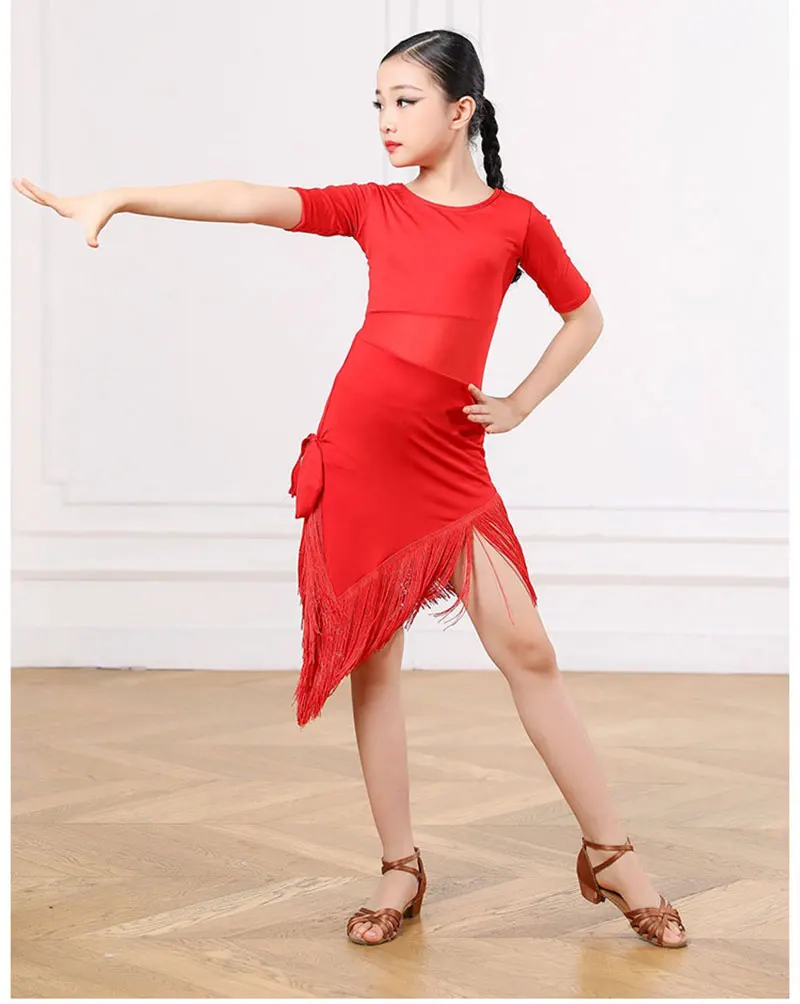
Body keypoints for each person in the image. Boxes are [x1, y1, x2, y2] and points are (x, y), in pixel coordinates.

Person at [12, 27, 688, 952]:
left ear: (461, 110)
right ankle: (399, 866)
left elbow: (585, 316)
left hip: (450, 465)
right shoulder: (375, 207)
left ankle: (611, 853)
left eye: (405, 101)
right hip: (362, 454)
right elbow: (250, 199)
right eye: (378, 103)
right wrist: (123, 197)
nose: (386, 121)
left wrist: (521, 402)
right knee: (377, 664)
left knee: (528, 650)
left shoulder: (515, 221)